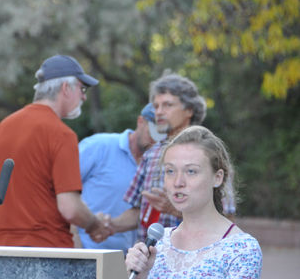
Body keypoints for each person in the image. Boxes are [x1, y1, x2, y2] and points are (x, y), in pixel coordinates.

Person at [0, 54, 110, 247]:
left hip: (2, 250)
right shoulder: (62, 134)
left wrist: (18, 207)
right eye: (82, 89)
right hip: (48, 250)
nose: (84, 96)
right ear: (66, 88)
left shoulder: (3, 127)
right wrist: (94, 225)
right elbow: (70, 208)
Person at [99, 74, 235, 242]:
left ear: (189, 110)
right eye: (156, 106)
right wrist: (108, 225)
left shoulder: (210, 152)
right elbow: (138, 212)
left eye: (168, 105)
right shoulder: (151, 154)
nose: (159, 112)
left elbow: (227, 218)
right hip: (149, 263)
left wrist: (175, 209)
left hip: (194, 261)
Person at [125, 126, 263, 278]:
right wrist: (141, 275)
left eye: (191, 171)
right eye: (170, 171)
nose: (178, 182)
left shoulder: (241, 249)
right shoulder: (158, 242)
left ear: (217, 177)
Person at [77, 103, 166, 252]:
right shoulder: (98, 146)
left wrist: (110, 225)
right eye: (152, 132)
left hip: (124, 258)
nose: (155, 141)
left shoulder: (159, 164)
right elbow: (60, 191)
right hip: (84, 251)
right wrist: (74, 244)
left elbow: (143, 211)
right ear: (140, 121)